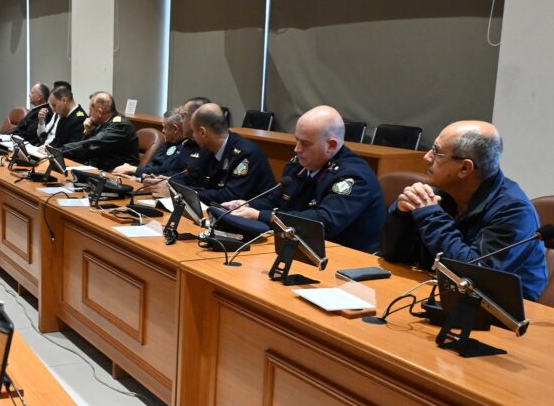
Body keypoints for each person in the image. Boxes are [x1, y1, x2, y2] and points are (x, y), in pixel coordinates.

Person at [380, 121, 548, 300]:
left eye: (436, 151)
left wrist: (430, 215)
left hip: (502, 308)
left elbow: (473, 276)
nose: (427, 157)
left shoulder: (514, 212)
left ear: (465, 168)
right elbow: (393, 254)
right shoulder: (441, 192)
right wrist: (401, 215)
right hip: (440, 292)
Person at [222, 105, 386, 253]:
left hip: (350, 258)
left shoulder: (353, 177)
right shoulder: (299, 165)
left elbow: (322, 223)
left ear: (331, 145)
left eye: (305, 143)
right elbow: (275, 201)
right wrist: (247, 206)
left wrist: (261, 215)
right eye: (297, 140)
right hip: (306, 247)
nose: (296, 149)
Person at [154, 103, 275, 203]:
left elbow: (229, 197)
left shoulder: (245, 153)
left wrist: (179, 193)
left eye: (194, 132)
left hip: (251, 216)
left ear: (202, 132)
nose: (193, 136)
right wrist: (169, 183)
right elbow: (191, 179)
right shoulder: (208, 149)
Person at [59, 92, 139, 172]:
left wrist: (60, 151)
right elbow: (86, 146)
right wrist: (88, 132)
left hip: (119, 174)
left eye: (90, 110)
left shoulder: (120, 125)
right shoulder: (102, 123)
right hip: (101, 169)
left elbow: (92, 145)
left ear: (99, 112)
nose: (89, 114)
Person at [114, 109, 190, 178]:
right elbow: (152, 164)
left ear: (175, 129)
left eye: (165, 127)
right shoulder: (169, 143)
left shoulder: (185, 147)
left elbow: (164, 170)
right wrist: (139, 177)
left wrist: (134, 170)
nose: (163, 131)